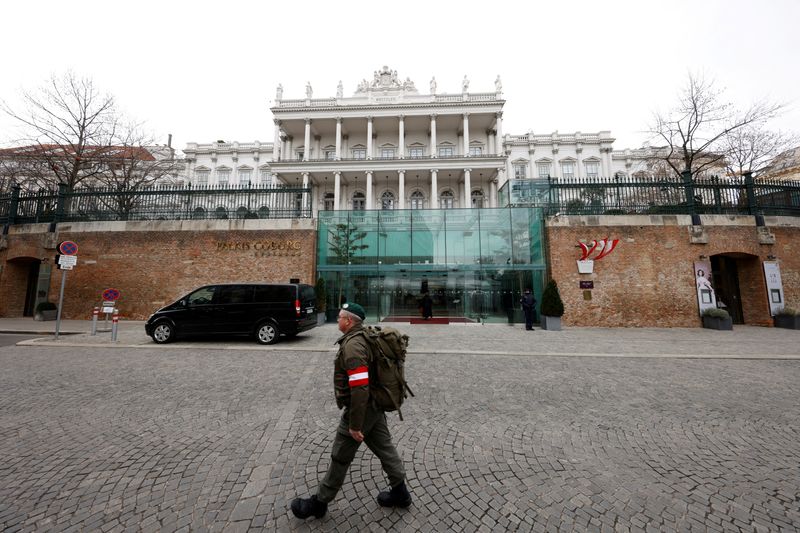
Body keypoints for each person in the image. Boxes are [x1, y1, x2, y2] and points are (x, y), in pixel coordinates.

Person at [291, 302, 411, 519]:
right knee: (385, 448)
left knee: (340, 455)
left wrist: (355, 425)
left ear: (349, 321)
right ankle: (401, 493)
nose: (337, 320)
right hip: (374, 407)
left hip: (362, 410)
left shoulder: (354, 346)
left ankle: (319, 502)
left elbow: (359, 388)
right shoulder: (362, 337)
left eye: (339, 317)